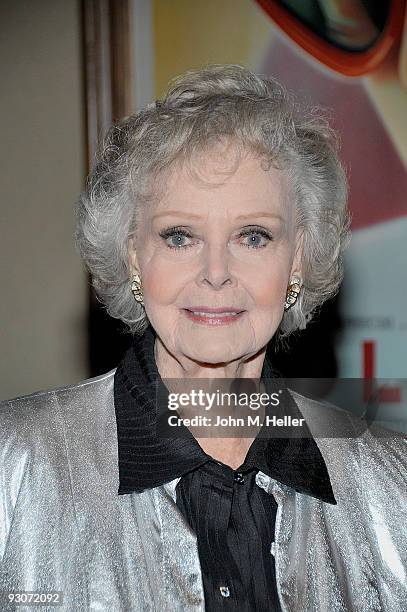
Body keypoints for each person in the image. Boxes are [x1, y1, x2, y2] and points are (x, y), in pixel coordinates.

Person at [0, 64, 406, 612]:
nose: (216, 272)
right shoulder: (15, 466)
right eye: (180, 236)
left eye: (253, 235)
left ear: (299, 257)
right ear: (132, 254)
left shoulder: (391, 484)